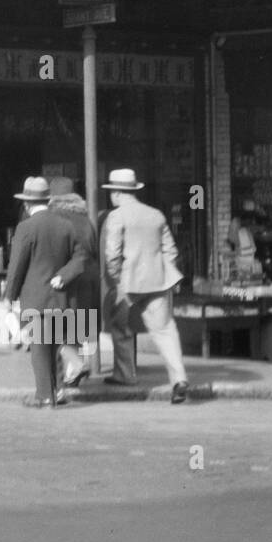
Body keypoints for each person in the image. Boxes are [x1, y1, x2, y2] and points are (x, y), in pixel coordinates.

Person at [99, 168, 190, 404]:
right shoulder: (156, 215)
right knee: (165, 330)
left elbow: (112, 255)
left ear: (117, 193)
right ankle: (179, 379)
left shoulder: (116, 216)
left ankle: (125, 374)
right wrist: (163, 273)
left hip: (128, 284)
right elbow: (171, 250)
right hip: (158, 283)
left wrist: (117, 279)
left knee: (120, 326)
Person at [3, 176, 88, 408]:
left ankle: (44, 395)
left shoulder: (26, 228)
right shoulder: (65, 225)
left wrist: (9, 296)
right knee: (56, 346)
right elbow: (80, 257)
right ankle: (58, 391)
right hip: (61, 297)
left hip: (36, 298)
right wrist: (64, 275)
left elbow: (16, 266)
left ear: (26, 203)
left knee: (40, 348)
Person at [48, 176, 99, 388]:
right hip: (88, 281)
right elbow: (94, 250)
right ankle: (72, 374)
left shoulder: (54, 218)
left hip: (65, 280)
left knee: (52, 332)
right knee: (76, 330)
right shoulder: (86, 220)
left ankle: (76, 366)